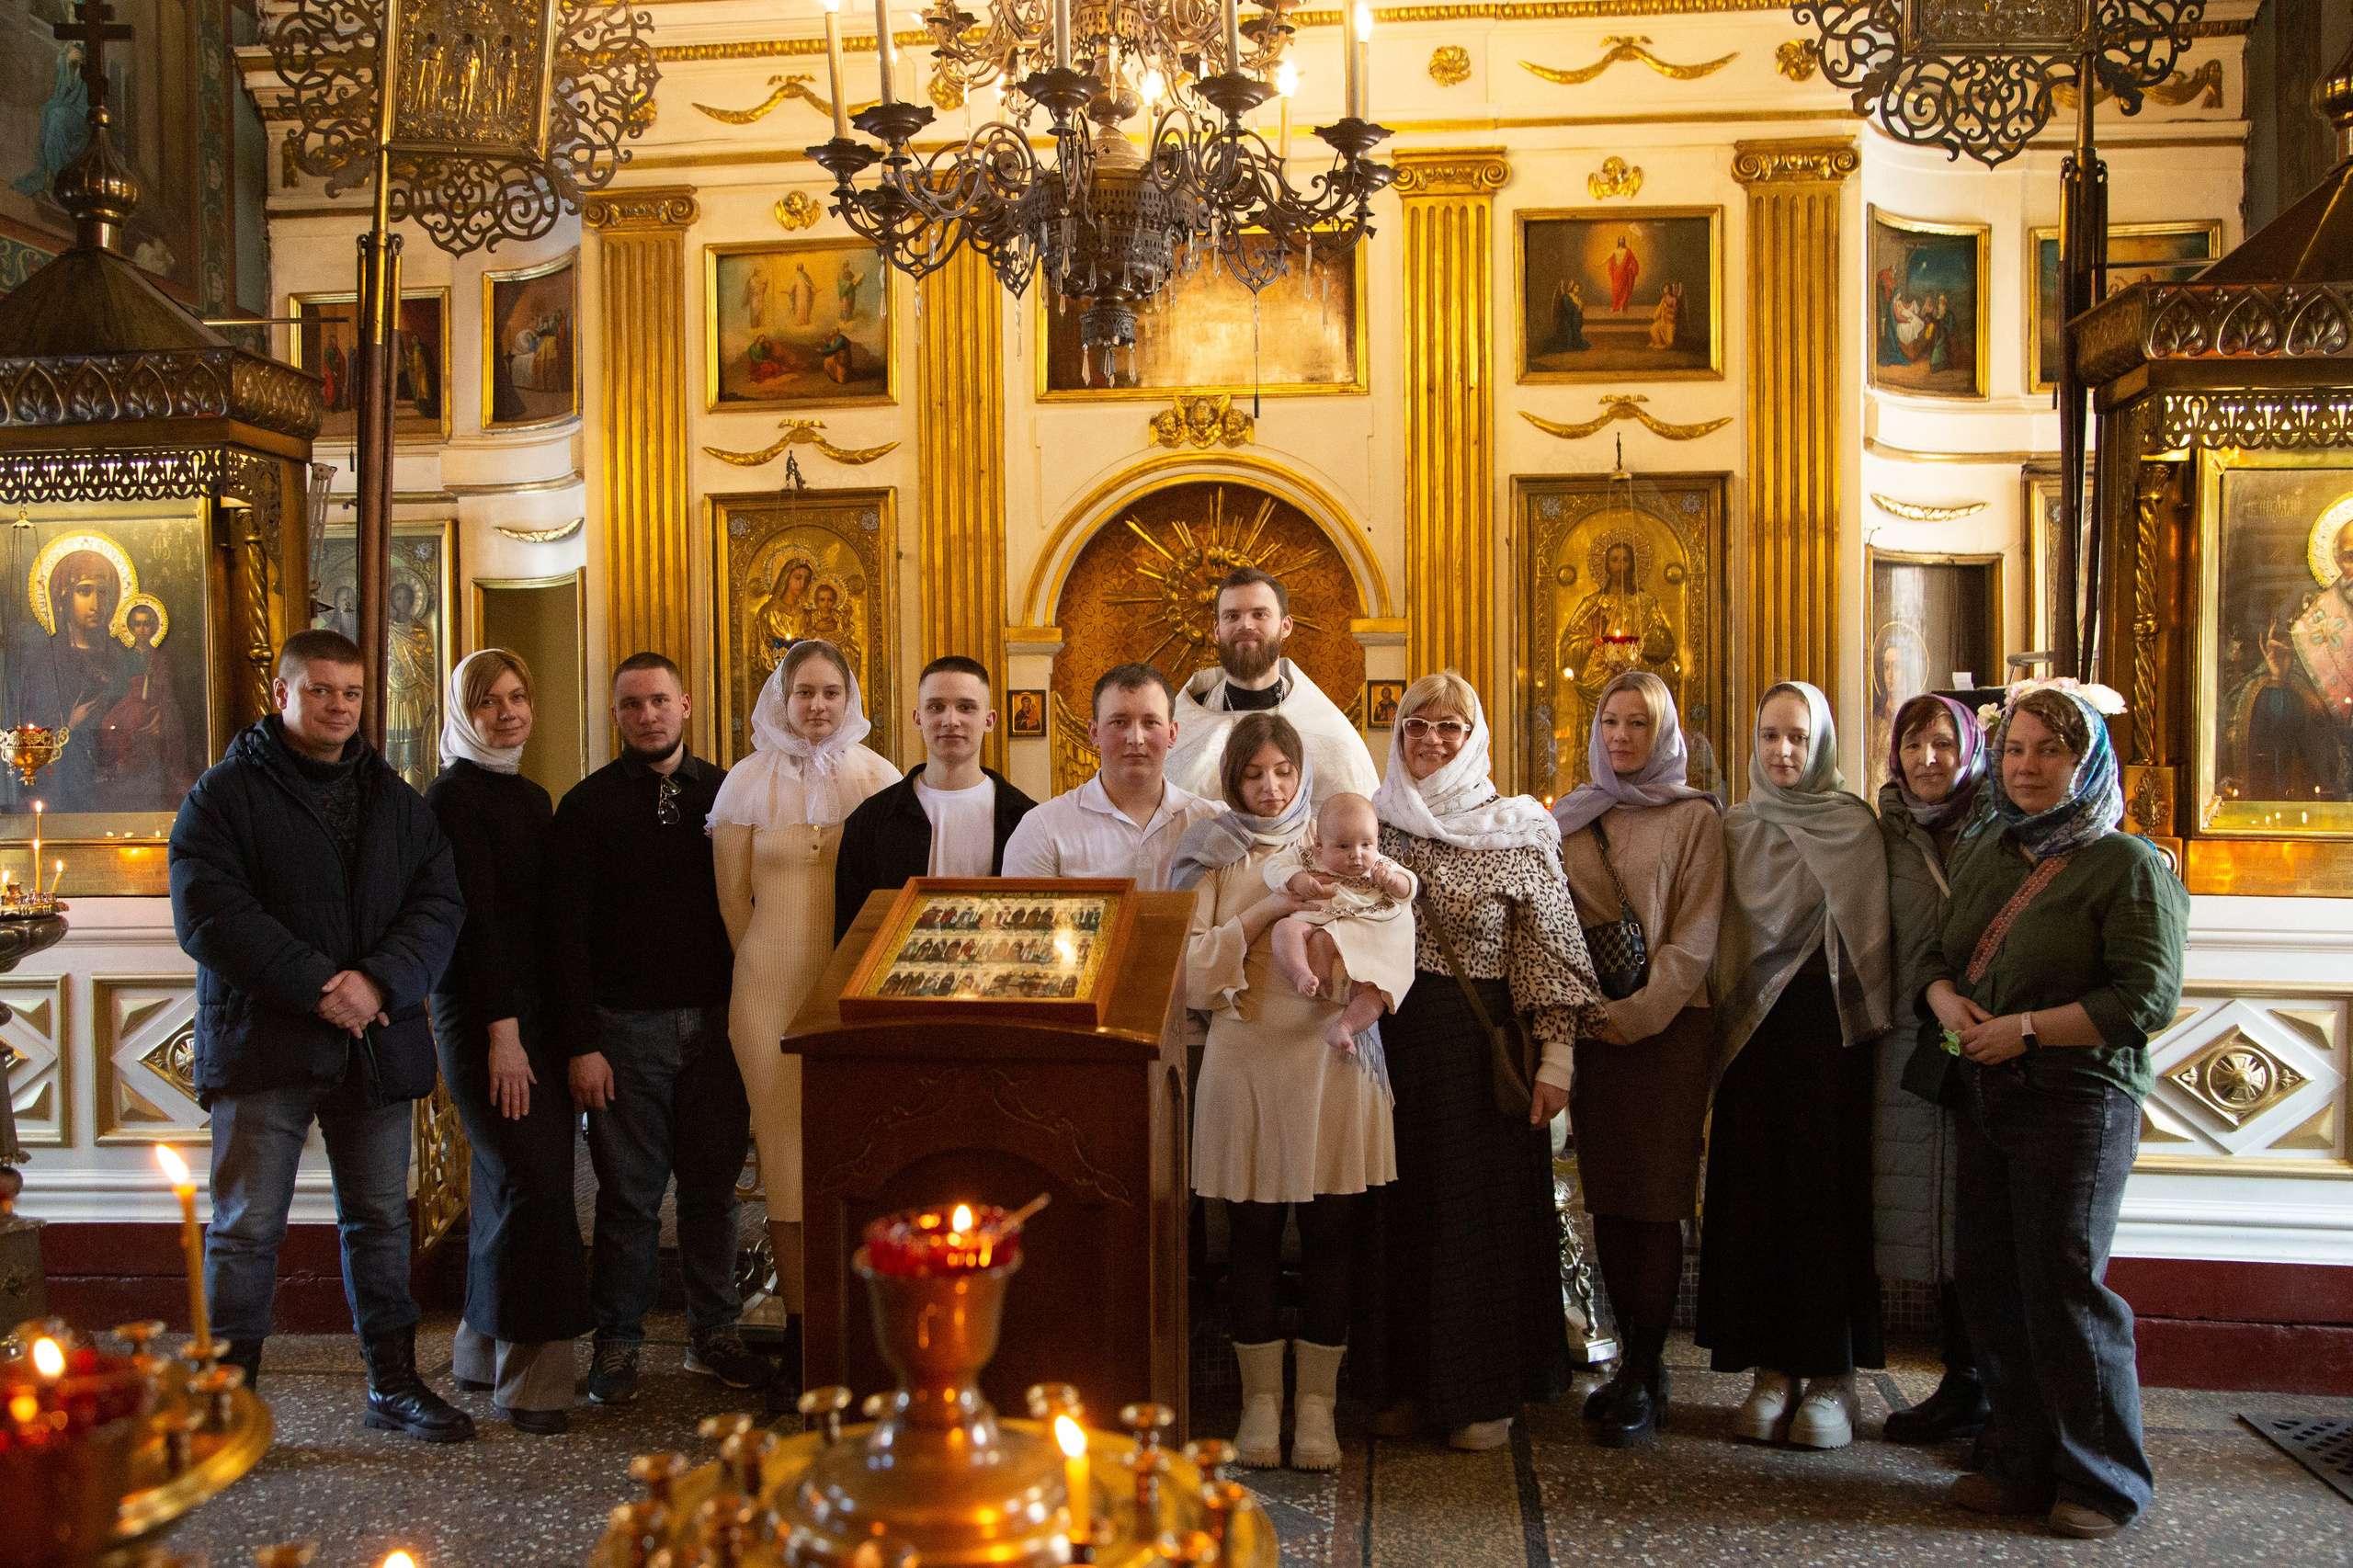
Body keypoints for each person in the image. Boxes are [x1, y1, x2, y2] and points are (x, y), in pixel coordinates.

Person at [168, 630, 470, 1441]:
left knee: (377, 1219)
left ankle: (394, 1384)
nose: (339, 706)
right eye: (322, 691)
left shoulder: (394, 799)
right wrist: (318, 986)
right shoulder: (223, 796)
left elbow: (439, 903)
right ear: (282, 694)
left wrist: (374, 982)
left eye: (352, 693)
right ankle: (228, 1406)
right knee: (245, 1229)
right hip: (266, 1042)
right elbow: (209, 912)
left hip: (371, 1038)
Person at [1925, 684, 2187, 1540]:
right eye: (2015, 750)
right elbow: (1938, 952)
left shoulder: (2129, 865)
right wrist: (1945, 1004)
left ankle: (2104, 1481)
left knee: (2064, 1286)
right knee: (1993, 1283)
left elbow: (2143, 997)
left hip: (2078, 1101)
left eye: (2050, 751)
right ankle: (2018, 1459)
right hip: (1987, 1091)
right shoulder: (1990, 850)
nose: (2028, 767)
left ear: (2087, 762)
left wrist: (2029, 1030)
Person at [1369, 671, 1607, 1451]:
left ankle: (1479, 1393)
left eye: (1450, 727)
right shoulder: (1376, 824)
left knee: (1477, 1223)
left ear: (1476, 740)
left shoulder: (1517, 828)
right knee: (1401, 1215)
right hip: (1391, 1047)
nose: (1431, 740)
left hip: (1483, 1051)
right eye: (1416, 726)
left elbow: (1551, 949)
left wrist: (1558, 1062)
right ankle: (1407, 1381)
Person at [1175, 715, 1399, 1472]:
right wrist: (1269, 909)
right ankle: (1260, 1406)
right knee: (1252, 1239)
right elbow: (1193, 971)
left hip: (1333, 1062)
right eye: (1252, 775)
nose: (1269, 788)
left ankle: (1317, 1408)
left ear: (1304, 775)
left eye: (1282, 772)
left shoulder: (1346, 846)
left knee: (1334, 1237)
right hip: (1245, 1061)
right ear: (1231, 780)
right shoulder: (1211, 854)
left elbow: (1395, 938)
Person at [545, 653, 769, 1403]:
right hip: (623, 1033)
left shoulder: (732, 794)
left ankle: (714, 1332)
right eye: (632, 704)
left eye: (660, 701)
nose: (648, 715)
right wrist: (583, 1044)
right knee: (629, 1197)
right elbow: (565, 940)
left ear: (688, 704)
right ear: (617, 715)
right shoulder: (585, 808)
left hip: (719, 1028)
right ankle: (618, 1344)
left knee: (711, 1193)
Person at [1697, 680, 1892, 1451]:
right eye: (1770, 736)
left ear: (1823, 747)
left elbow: (1875, 943)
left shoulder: (1853, 827)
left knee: (1825, 1202)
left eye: (1798, 739)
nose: (1782, 752)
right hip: (1750, 1039)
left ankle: (1832, 1379)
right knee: (1755, 1200)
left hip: (1831, 1040)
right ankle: (1770, 1372)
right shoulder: (1735, 827)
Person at [1551, 669, 1724, 1449]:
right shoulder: (1570, 817)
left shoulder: (1695, 820)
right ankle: (1630, 1364)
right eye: (1611, 721)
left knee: (1657, 1203)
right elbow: (1550, 922)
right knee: (1608, 1202)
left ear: (1665, 734)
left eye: (1639, 725)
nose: (1622, 737)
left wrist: (1635, 1016)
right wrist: (1588, 1019)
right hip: (1594, 1034)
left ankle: (1651, 1369)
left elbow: (1695, 940)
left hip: (1668, 1035)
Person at [424, 649, 590, 1436]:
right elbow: (475, 927)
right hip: (486, 1020)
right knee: (535, 1187)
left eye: (519, 696)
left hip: (536, 1022)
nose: (509, 712)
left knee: (505, 1184)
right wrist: (505, 1037)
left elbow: (550, 926)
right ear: (464, 712)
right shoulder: (451, 797)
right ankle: (535, 1381)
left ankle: (479, 1348)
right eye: (489, 701)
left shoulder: (530, 796)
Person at [713, 641, 899, 1325]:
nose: (817, 706)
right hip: (767, 992)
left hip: (852, 996)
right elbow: (733, 902)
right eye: (804, 694)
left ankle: (861, 1321)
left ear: (850, 699)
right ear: (782, 700)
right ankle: (802, 1331)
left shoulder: (880, 778)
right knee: (787, 1157)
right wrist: (763, 969)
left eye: (830, 693)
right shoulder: (745, 781)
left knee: (856, 1151)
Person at [1874, 694, 1995, 1447]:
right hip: (1913, 1037)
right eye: (1914, 744)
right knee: (1933, 1217)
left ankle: (1993, 1384)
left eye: (1944, 744)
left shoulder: (2003, 827)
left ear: (1971, 750)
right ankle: (1961, 1378)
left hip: (1997, 1038)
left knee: (1987, 1213)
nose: (1928, 760)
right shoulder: (1881, 831)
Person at [835, 655, 1038, 942]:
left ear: (989, 720)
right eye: (936, 707)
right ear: (918, 718)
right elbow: (851, 929)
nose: (950, 720)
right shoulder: (872, 819)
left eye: (966, 707)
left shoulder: (1025, 819)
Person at [1163, 567, 1379, 808]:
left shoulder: (1328, 732)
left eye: (1259, 614)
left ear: (1285, 626)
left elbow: (1355, 826)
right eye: (1232, 616)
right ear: (1216, 631)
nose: (1245, 625)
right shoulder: (1184, 729)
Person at [1002, 663, 1223, 890]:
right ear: (1094, 733)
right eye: (1119, 722)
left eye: (1151, 722)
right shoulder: (1042, 830)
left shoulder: (1212, 822)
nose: (1136, 738)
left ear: (1172, 733)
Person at [1261, 792, 1417, 1051]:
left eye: (1366, 844)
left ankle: (1345, 1027)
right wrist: (1295, 879)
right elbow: (1273, 866)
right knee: (1286, 929)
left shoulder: (1380, 867)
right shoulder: (1309, 858)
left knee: (1377, 995)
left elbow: (1409, 886)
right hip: (1316, 925)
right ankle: (1300, 972)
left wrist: (1392, 881)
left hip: (1359, 949)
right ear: (1319, 845)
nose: (1357, 855)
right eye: (1344, 847)